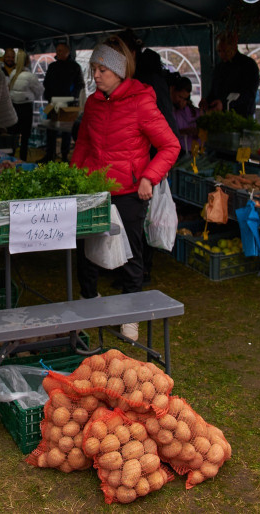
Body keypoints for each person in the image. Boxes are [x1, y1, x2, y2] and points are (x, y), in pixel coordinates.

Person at [72, 36, 180, 342]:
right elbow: (83, 144)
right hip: (94, 189)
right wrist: (75, 178)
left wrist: (149, 177)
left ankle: (130, 315)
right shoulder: (93, 103)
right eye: (93, 69)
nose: (95, 76)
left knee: (131, 254)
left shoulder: (142, 101)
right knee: (87, 249)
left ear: (119, 71)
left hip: (129, 191)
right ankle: (88, 299)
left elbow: (170, 145)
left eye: (101, 70)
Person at [42, 40, 83, 161]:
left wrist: (71, 97)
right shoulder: (52, 66)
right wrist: (49, 97)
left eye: (61, 50)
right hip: (53, 101)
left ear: (67, 52)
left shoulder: (75, 67)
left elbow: (79, 84)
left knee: (66, 132)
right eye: (57, 50)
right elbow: (46, 83)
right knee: (50, 131)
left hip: (68, 102)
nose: (58, 53)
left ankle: (65, 157)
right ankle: (49, 155)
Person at [205, 32, 260, 116]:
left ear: (234, 47)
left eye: (225, 51)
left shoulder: (248, 65)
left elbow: (248, 94)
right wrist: (207, 101)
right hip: (221, 116)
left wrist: (224, 103)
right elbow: (214, 91)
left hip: (242, 116)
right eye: (219, 51)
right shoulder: (219, 67)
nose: (221, 55)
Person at [4, 48, 43, 160]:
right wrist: (32, 97)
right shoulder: (30, 76)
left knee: (13, 134)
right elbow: (39, 91)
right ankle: (23, 159)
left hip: (13, 107)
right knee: (25, 136)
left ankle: (10, 158)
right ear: (27, 62)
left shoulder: (12, 74)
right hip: (26, 107)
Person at [170, 75, 200, 153]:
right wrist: (184, 131)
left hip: (194, 149)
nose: (181, 101)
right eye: (180, 97)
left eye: (185, 99)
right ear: (172, 90)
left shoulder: (193, 111)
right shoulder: (170, 111)